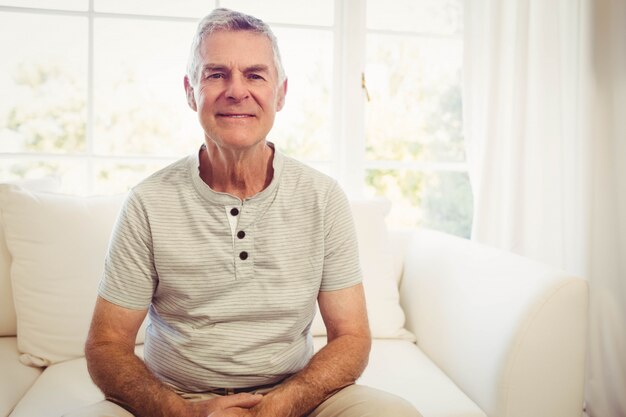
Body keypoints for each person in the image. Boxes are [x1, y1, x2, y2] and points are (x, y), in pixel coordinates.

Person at [71, 8, 421, 417]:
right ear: (190, 91)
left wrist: (283, 404)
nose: (237, 91)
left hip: (298, 396)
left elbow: (352, 337)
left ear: (281, 93)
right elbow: (106, 345)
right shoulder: (147, 202)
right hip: (176, 402)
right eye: (216, 74)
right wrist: (185, 413)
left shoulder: (322, 197)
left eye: (255, 75)